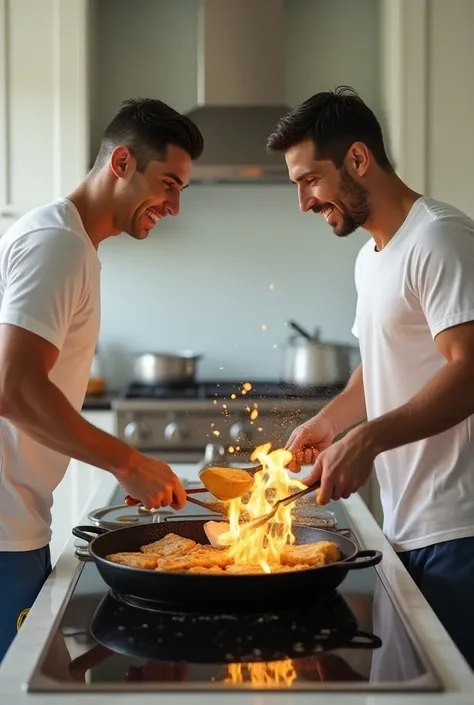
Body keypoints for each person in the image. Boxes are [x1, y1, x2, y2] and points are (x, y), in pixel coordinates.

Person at [266, 86, 474, 668]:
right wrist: (329, 423)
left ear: (358, 159)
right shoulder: (372, 256)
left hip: (460, 527)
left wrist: (371, 437)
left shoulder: (440, 238)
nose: (303, 201)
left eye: (309, 180)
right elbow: (379, 364)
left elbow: (469, 370)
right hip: (408, 525)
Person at [0, 98, 204, 662]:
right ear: (120, 164)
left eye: (182, 189)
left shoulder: (70, 242)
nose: (174, 205)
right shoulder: (58, 244)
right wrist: (127, 462)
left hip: (15, 518)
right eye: (168, 183)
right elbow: (13, 387)